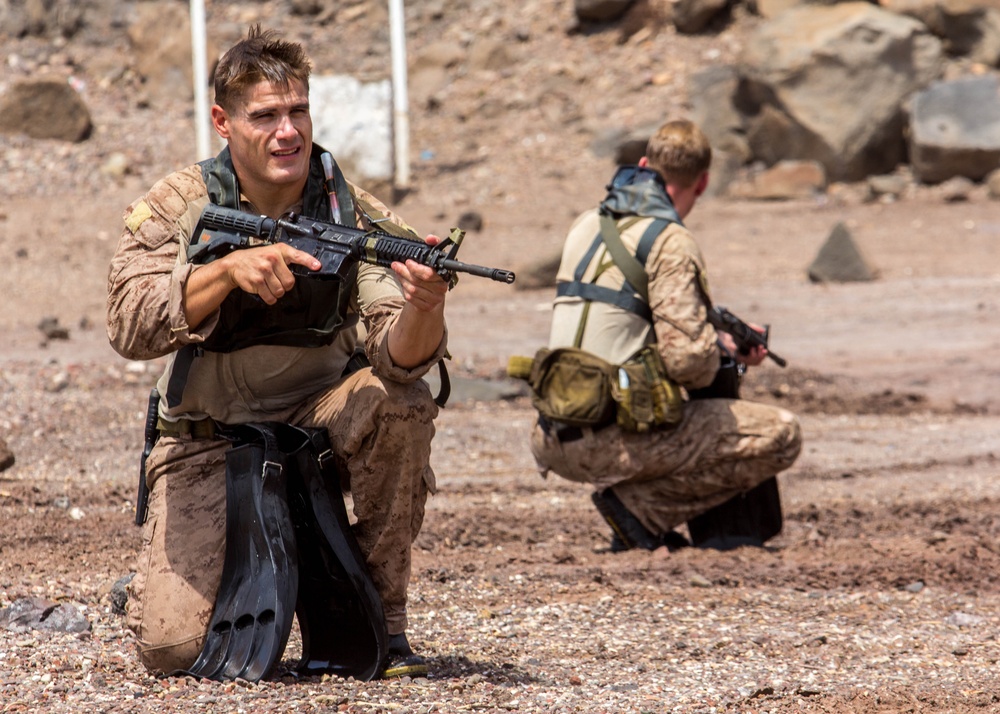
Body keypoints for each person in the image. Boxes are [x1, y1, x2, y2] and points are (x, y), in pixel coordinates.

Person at [107, 26, 447, 678]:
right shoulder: (180, 204)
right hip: (210, 439)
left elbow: (400, 358)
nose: (287, 132)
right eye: (264, 116)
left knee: (400, 402)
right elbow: (129, 325)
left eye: (298, 112)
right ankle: (183, 577)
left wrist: (425, 308)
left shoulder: (351, 212)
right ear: (223, 122)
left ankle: (380, 616)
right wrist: (228, 274)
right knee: (174, 653)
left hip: (320, 425)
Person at [527, 119, 802, 552]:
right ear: (704, 182)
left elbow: (623, 321)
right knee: (782, 434)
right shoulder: (671, 240)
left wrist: (717, 341)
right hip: (605, 442)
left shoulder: (586, 224)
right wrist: (720, 354)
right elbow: (689, 366)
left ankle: (635, 507)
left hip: (550, 430)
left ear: (642, 165)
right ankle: (640, 510)